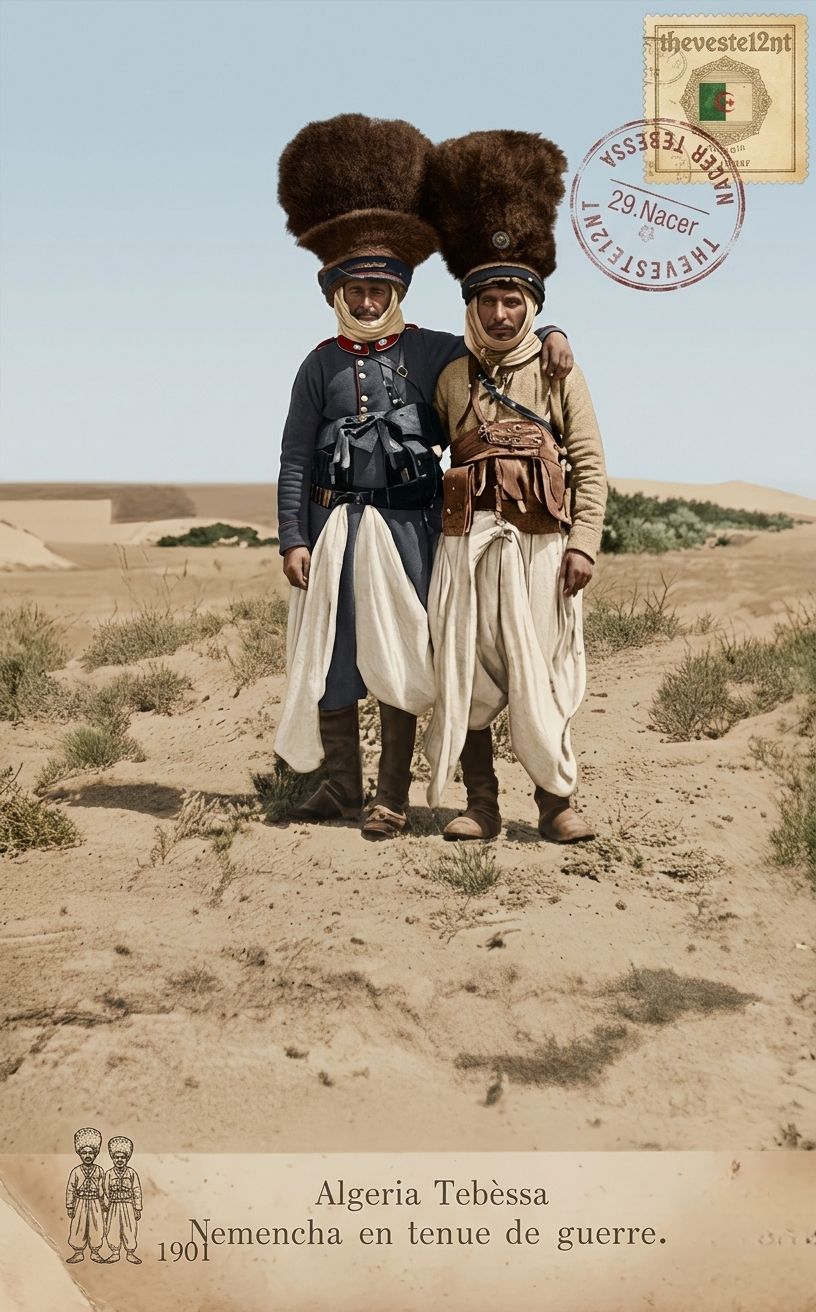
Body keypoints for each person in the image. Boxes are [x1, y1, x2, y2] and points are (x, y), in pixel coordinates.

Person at [273, 115, 572, 839]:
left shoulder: (438, 350)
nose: (369, 299)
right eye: (356, 288)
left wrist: (559, 334)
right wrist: (292, 536)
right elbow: (292, 456)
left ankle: (390, 796)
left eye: (380, 287)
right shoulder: (317, 365)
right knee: (337, 654)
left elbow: (505, 346)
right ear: (335, 292)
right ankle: (340, 787)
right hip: (331, 528)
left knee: (404, 652)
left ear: (398, 289)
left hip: (413, 529)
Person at [420, 130, 608, 842]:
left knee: (541, 674)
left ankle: (556, 804)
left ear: (532, 305)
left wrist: (583, 545)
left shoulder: (560, 369)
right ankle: (480, 805)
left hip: (541, 549)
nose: (502, 314)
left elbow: (589, 463)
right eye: (489, 301)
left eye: (515, 301)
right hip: (466, 546)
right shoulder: (448, 374)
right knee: (466, 671)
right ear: (471, 305)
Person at [65, 1127, 106, 1263]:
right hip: (80, 1203)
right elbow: (71, 1188)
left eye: (91, 1153)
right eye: (84, 1153)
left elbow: (103, 1188)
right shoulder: (76, 1171)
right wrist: (70, 1206)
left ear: (95, 1154)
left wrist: (104, 1204)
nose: (88, 1156)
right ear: (79, 1153)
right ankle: (78, 1252)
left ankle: (95, 1252)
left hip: (95, 1204)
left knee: (97, 1226)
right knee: (78, 1226)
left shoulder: (99, 1170)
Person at [104, 1136, 143, 1263]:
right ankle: (115, 1252)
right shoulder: (109, 1173)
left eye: (122, 1157)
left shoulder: (131, 1173)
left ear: (127, 1158)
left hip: (128, 1206)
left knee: (129, 1228)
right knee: (112, 1228)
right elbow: (104, 1190)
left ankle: (130, 1253)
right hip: (113, 1206)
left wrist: (137, 1208)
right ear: (113, 1158)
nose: (119, 1160)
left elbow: (136, 1190)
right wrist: (106, 1205)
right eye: (116, 1157)